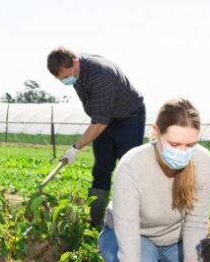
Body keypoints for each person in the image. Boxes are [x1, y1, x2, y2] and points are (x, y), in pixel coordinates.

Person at [98, 98, 210, 262]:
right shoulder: (132, 166)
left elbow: (196, 223)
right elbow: (129, 238)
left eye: (190, 145)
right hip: (131, 237)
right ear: (155, 132)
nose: (183, 153)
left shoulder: (204, 163)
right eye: (174, 144)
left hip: (174, 240)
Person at [47, 47, 145, 228]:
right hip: (104, 118)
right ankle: (96, 222)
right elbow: (100, 119)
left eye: (66, 77)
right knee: (101, 169)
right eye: (61, 80)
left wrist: (76, 148)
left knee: (128, 170)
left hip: (128, 117)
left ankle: (129, 223)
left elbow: (100, 123)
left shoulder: (99, 75)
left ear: (75, 62)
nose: (65, 81)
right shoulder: (76, 71)